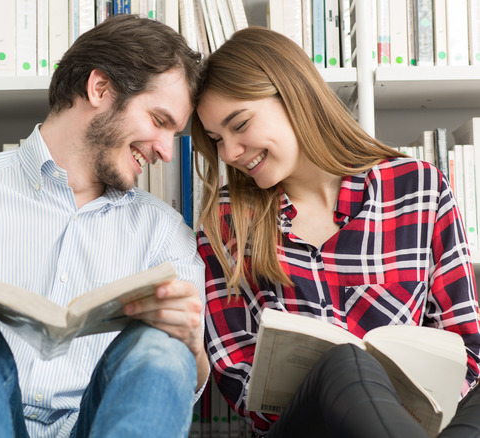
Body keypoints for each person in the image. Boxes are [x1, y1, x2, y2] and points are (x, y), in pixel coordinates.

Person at [0, 14, 209, 438]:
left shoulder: (165, 232)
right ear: (99, 89)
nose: (166, 152)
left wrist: (191, 343)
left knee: (164, 347)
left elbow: (179, 386)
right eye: (159, 121)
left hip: (99, 424)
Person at [192, 26, 480, 437]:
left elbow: (467, 345)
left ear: (293, 95)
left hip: (422, 423)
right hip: (303, 428)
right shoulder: (224, 221)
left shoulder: (419, 188)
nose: (230, 153)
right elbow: (238, 378)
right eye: (217, 139)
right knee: (347, 363)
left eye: (240, 125)